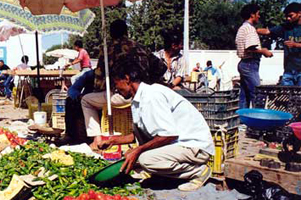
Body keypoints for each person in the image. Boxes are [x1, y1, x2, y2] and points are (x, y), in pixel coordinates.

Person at [99, 54, 215, 192]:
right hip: (178, 145)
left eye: (116, 83)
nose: (116, 88)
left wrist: (138, 150)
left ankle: (197, 172)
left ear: (127, 79)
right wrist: (114, 141)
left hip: (194, 146)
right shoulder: (138, 99)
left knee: (145, 159)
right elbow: (143, 133)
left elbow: (169, 135)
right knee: (136, 157)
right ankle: (162, 173)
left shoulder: (151, 96)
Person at [81, 19, 167, 150]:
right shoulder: (140, 46)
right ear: (127, 31)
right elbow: (162, 68)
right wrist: (149, 82)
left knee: (86, 101)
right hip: (143, 93)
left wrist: (99, 90)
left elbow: (99, 76)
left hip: (121, 95)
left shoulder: (108, 49)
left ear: (110, 33)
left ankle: (96, 139)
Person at [235, 4, 273, 108]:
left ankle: (243, 121)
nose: (259, 16)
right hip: (249, 64)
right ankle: (258, 121)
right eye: (258, 14)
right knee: (258, 94)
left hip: (245, 64)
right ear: (252, 15)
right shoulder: (249, 29)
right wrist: (264, 51)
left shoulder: (243, 28)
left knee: (245, 96)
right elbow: (250, 48)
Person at [257, 2, 301, 86]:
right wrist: (252, 29)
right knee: (286, 97)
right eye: (286, 16)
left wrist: (296, 45)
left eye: (290, 15)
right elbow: (268, 31)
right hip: (288, 70)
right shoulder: (285, 27)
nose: (288, 18)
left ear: (299, 13)